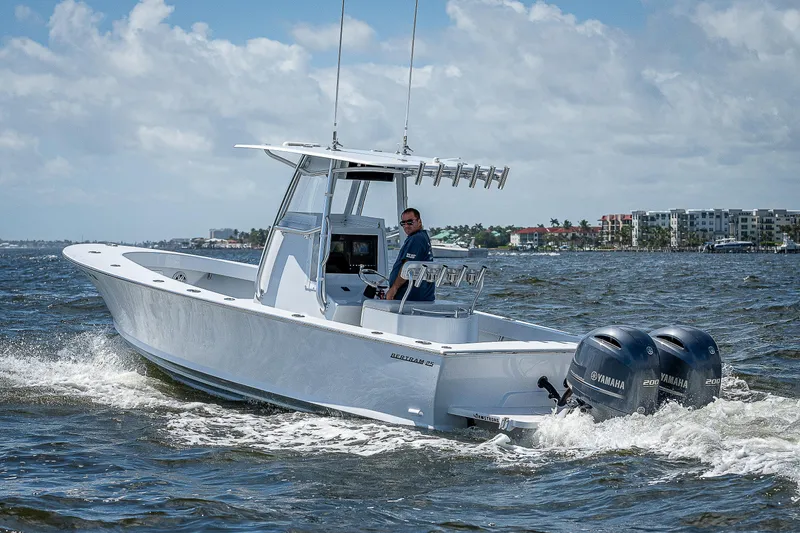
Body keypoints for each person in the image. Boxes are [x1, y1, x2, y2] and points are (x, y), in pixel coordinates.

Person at [386, 208, 435, 301]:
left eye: (410, 222)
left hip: (411, 297)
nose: (406, 226)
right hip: (420, 296)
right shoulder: (421, 237)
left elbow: (408, 267)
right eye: (403, 223)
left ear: (419, 221)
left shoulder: (416, 239)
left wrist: (394, 288)